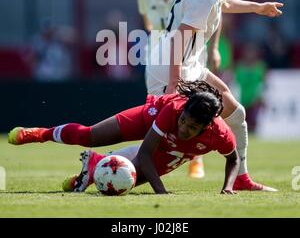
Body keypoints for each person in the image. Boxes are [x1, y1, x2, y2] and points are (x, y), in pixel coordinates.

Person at [145, 0, 283, 190]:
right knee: (168, 140)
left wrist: (258, 8)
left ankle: (241, 178)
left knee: (236, 113)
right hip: (174, 68)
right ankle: (109, 163)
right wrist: (174, 83)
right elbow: (178, 40)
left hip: (189, 65)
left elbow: (226, 4)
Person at [9, 80, 241, 194]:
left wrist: (228, 187)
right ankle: (41, 134)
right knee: (89, 136)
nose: (184, 127)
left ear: (207, 127)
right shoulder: (174, 111)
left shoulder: (219, 134)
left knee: (129, 179)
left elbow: (233, 158)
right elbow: (145, 152)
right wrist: (161, 191)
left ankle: (92, 170)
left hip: (174, 150)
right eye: (184, 120)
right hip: (150, 118)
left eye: (192, 127)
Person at [137, 0, 215, 178]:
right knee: (155, 103)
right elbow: (148, 24)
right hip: (157, 54)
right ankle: (152, 152)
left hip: (187, 52)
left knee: (192, 102)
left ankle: (196, 158)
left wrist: (213, 50)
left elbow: (212, 13)